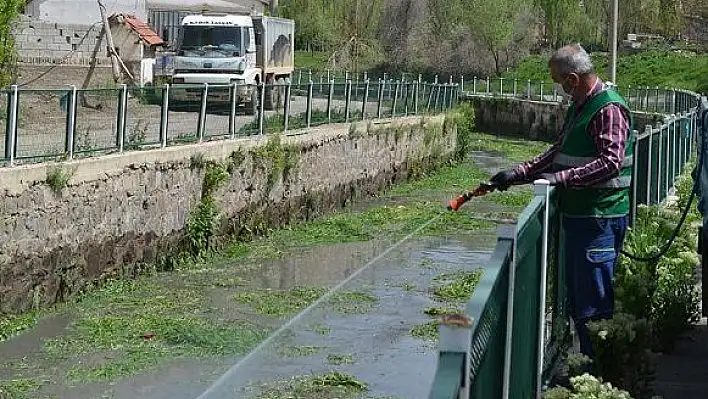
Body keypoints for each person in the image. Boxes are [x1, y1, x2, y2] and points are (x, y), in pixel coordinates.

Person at [490, 44, 634, 364]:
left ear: (573, 78)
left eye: (559, 82)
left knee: (595, 306)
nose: (559, 89)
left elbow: (610, 163)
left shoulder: (607, 109)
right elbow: (557, 155)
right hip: (580, 220)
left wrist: (561, 180)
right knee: (580, 302)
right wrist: (517, 174)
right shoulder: (580, 107)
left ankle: (601, 373)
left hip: (600, 220)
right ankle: (587, 368)